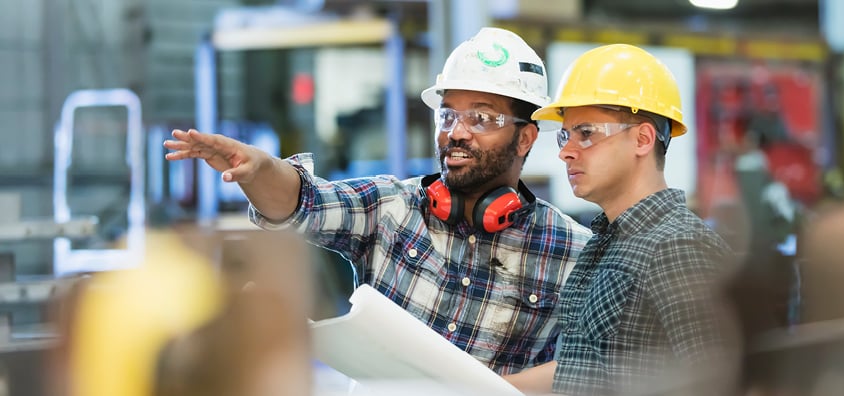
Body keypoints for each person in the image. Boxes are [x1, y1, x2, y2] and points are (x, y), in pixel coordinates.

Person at [163, 27, 592, 376]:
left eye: (481, 117)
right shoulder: (391, 207)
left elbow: (587, 370)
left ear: (527, 136)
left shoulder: (572, 251)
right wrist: (258, 169)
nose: (456, 132)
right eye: (448, 115)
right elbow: (302, 202)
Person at [503, 44, 740, 395]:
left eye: (586, 133)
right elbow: (579, 369)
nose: (565, 151)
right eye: (567, 135)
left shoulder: (678, 248)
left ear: (642, 139)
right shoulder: (605, 243)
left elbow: (723, 383)